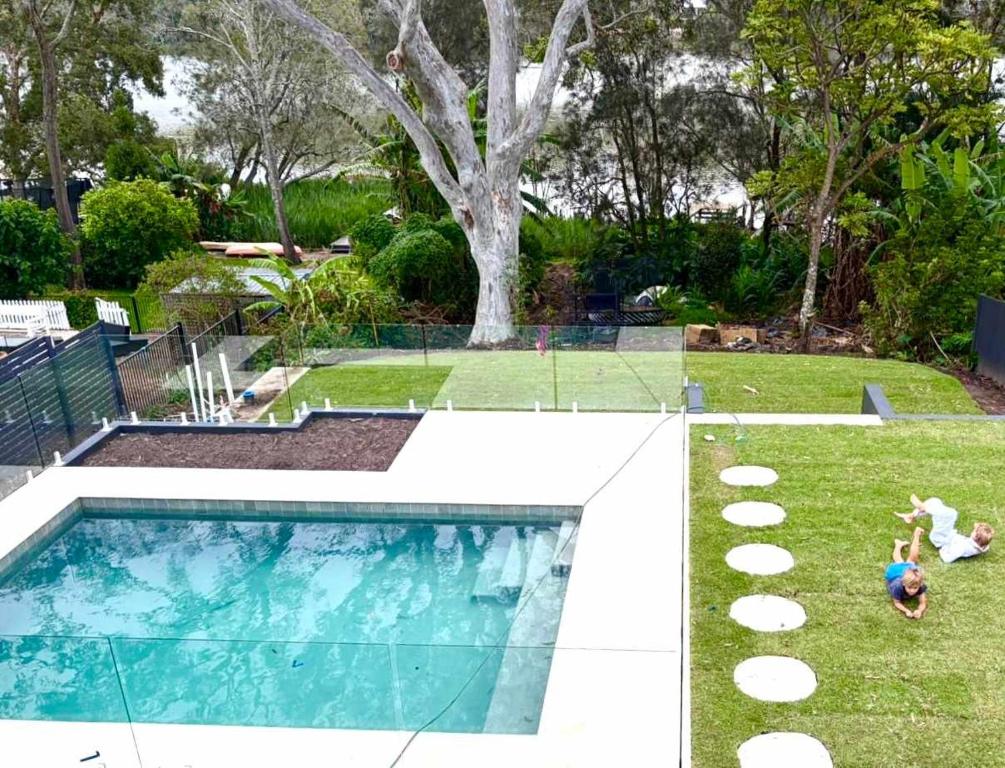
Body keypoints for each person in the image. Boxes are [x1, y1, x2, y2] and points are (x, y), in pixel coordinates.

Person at [895, 494, 994, 564]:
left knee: (948, 514)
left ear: (975, 536)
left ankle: (922, 509)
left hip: (940, 539)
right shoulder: (982, 545)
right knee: (937, 502)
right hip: (949, 535)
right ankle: (913, 514)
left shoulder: (962, 548)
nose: (972, 531)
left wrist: (943, 548)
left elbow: (947, 559)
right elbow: (984, 546)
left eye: (974, 531)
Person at [885, 526, 928, 620]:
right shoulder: (897, 587)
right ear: (904, 584)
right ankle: (898, 545)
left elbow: (923, 602)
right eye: (909, 588)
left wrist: (919, 611)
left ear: (919, 584)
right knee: (899, 561)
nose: (912, 591)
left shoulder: (920, 585)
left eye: (915, 588)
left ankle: (915, 536)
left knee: (912, 560)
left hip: (909, 571)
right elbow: (897, 602)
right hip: (895, 573)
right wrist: (906, 611)